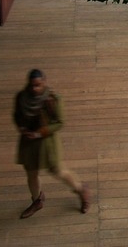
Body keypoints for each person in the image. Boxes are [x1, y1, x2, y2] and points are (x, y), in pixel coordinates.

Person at [13, 69, 90, 219]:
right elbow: (16, 115)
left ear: (44, 83)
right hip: (29, 142)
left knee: (58, 171)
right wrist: (22, 128)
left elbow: (59, 123)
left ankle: (81, 190)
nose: (35, 89)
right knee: (31, 173)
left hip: (47, 143)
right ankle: (37, 200)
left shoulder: (52, 99)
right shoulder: (22, 98)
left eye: (38, 85)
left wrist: (40, 132)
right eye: (32, 86)